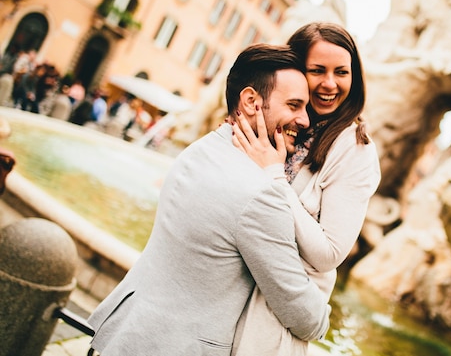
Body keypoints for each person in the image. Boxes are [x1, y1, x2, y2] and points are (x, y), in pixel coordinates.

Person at [87, 43, 330, 355]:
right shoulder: (260, 193)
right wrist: (323, 315)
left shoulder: (202, 148)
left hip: (122, 332)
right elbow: (305, 317)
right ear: (251, 101)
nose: (305, 120)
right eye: (294, 105)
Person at [231, 22, 381, 355]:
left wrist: (275, 177)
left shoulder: (355, 148)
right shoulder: (276, 122)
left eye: (342, 72)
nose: (330, 84)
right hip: (224, 304)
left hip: (270, 326)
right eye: (317, 71)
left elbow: (329, 254)